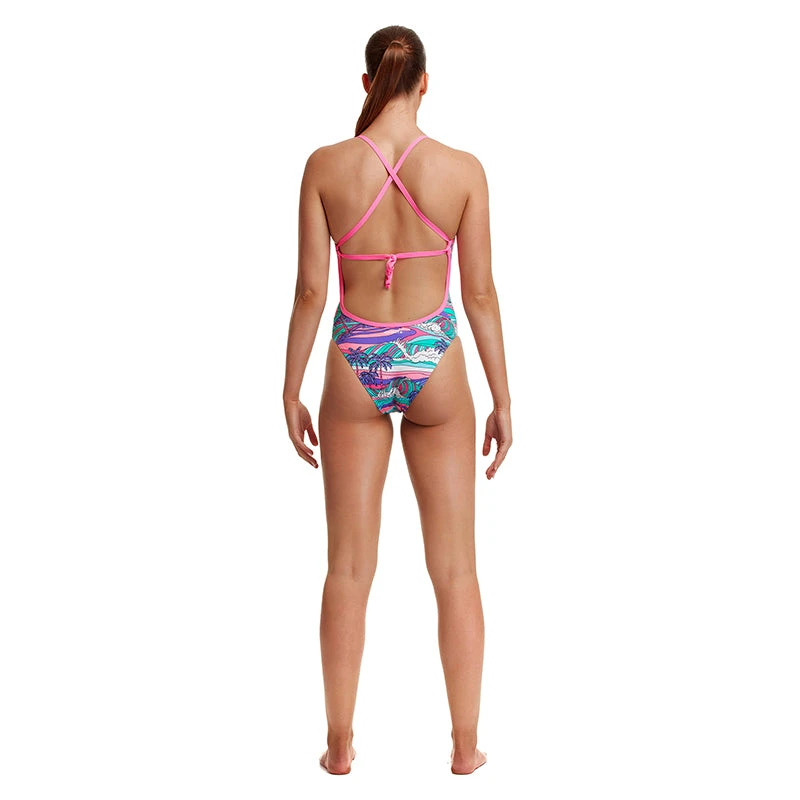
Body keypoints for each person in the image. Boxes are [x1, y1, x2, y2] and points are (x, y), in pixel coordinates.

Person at [282, 24, 512, 775]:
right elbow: (479, 294)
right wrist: (503, 396)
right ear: (426, 83)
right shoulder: (462, 171)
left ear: (366, 84)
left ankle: (339, 745)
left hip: (353, 359)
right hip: (434, 359)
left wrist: (290, 387)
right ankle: (465, 748)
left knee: (348, 569)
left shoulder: (325, 166)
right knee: (456, 570)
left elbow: (311, 291)